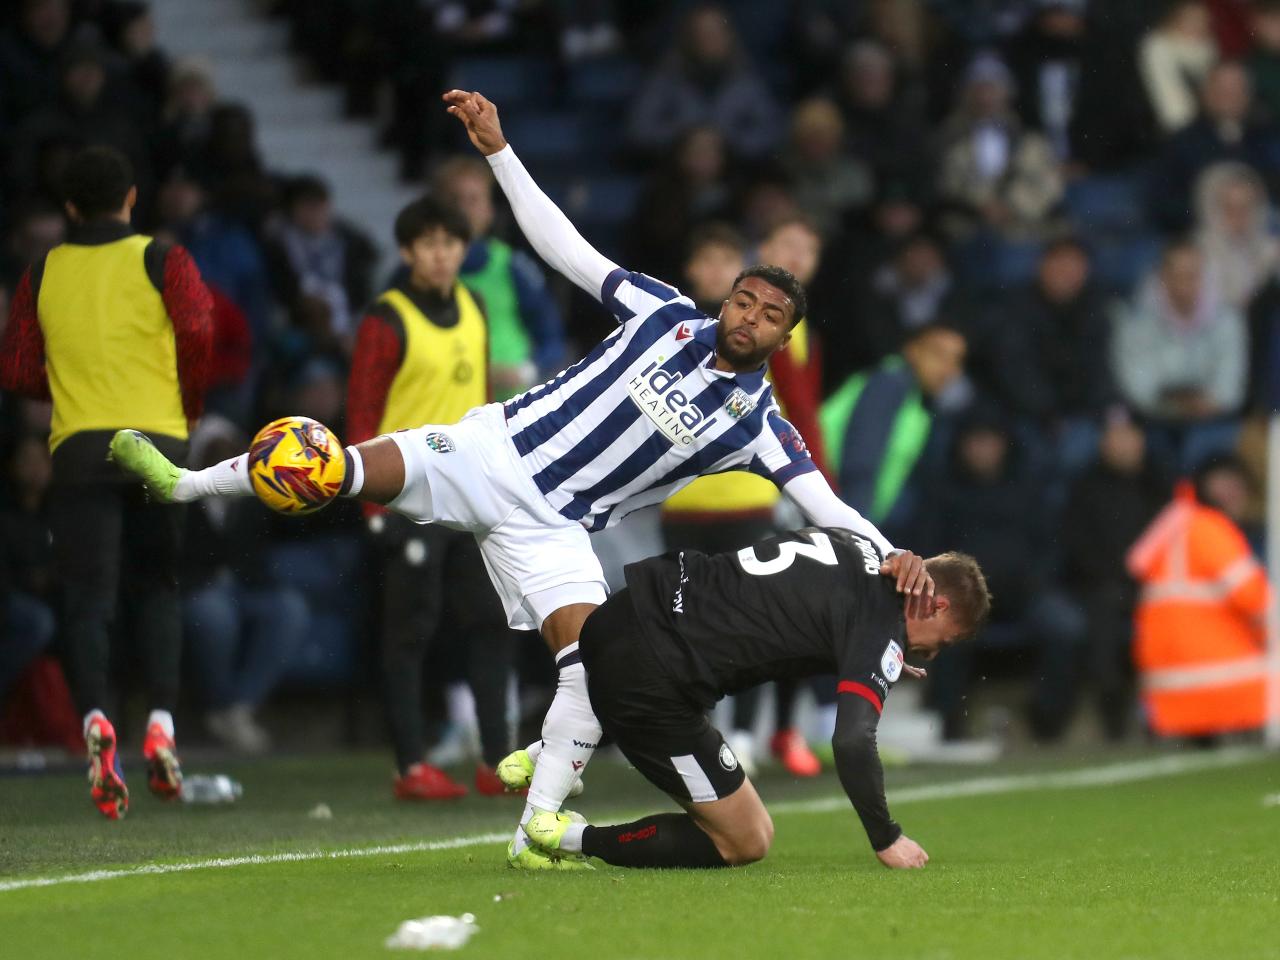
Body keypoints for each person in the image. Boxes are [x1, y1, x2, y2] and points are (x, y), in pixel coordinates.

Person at [109, 90, 933, 868]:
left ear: (785, 339)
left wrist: (897, 561)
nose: (748, 317)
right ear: (729, 296)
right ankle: (183, 484)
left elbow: (827, 505)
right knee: (328, 466)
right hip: (488, 453)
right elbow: (565, 248)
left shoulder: (761, 427)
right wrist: (501, 153)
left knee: (592, 667)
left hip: (553, 527)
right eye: (744, 300)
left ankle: (534, 827)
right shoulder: (661, 310)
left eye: (769, 316)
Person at [519, 529, 989, 871]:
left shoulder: (855, 544)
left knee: (644, 713)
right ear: (937, 604)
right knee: (746, 839)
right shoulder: (878, 629)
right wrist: (886, 837)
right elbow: (852, 740)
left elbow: (802, 605)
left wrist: (879, 648)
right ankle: (563, 836)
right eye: (944, 641)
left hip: (628, 609)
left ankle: (545, 755)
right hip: (653, 675)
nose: (931, 651)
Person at [0, 145, 213, 819]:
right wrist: (187, 407)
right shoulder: (162, 259)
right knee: (160, 588)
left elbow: (16, 369)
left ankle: (96, 721)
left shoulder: (42, 271)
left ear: (68, 208)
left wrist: (65, 389)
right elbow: (199, 329)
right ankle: (160, 723)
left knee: (89, 597)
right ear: (130, 198)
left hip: (81, 448)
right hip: (158, 441)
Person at [347, 195, 516, 800]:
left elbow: (485, 403)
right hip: (409, 495)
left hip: (471, 494)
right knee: (409, 632)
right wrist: (371, 507)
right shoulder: (386, 318)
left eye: (451, 243)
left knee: (491, 624)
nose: (442, 256)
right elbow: (363, 413)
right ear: (407, 252)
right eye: (429, 245)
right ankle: (410, 764)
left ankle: (497, 760)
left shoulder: (473, 305)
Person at [1127, 464, 1272, 740]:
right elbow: (1253, 597)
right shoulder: (1210, 528)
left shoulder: (1171, 525)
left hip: (1164, 679)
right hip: (1214, 674)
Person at [432, 156, 566, 396]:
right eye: (454, 200)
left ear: (489, 209)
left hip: (508, 406)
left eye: (473, 199)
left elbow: (552, 337)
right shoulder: (417, 273)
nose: (463, 209)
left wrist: (525, 371)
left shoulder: (512, 267)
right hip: (446, 407)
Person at [1111, 238, 1247, 472]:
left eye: (1191, 274)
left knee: (1210, 448)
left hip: (1212, 419)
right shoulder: (1137, 321)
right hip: (1155, 420)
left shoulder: (1227, 320)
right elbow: (1138, 385)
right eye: (1176, 273)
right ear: (1162, 275)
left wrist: (1207, 402)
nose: (1183, 283)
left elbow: (1230, 386)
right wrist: (1178, 404)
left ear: (1204, 277)